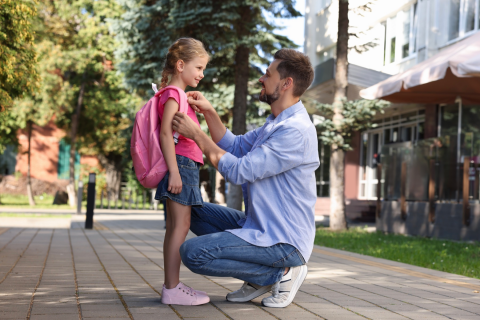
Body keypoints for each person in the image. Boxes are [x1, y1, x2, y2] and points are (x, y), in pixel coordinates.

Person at [172, 49, 319, 308]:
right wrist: (208, 112)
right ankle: (259, 276)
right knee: (189, 210)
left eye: (268, 74)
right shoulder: (276, 123)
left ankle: (279, 274)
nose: (262, 79)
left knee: (193, 253)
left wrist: (197, 134)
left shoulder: (295, 132)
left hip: (283, 240)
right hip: (261, 225)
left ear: (287, 84)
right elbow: (236, 146)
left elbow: (239, 171)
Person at [155, 38, 210, 306]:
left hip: (184, 165)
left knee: (177, 226)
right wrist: (175, 173)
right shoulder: (174, 94)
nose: (201, 74)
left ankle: (171, 286)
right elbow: (166, 133)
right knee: (180, 226)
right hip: (181, 165)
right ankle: (172, 288)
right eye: (198, 67)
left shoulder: (173, 94)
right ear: (180, 65)